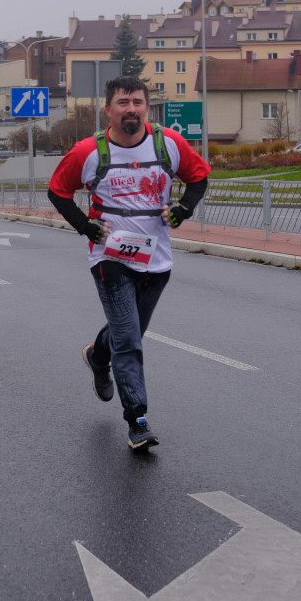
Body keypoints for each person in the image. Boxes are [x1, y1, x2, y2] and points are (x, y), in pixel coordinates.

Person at [47, 76, 210, 450]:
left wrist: (182, 209)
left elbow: (199, 177)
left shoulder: (168, 143)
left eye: (137, 102)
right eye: (123, 102)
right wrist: (87, 227)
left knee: (130, 334)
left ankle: (96, 354)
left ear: (147, 107)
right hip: (110, 258)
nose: (131, 109)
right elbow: (58, 190)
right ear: (108, 109)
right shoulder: (88, 151)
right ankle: (137, 419)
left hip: (158, 259)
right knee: (129, 341)